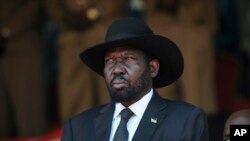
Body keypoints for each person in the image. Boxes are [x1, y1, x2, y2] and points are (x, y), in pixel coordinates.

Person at [61, 18, 209, 141]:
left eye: (128, 59)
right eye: (110, 60)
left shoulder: (186, 121)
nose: (117, 69)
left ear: (152, 68)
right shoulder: (77, 128)